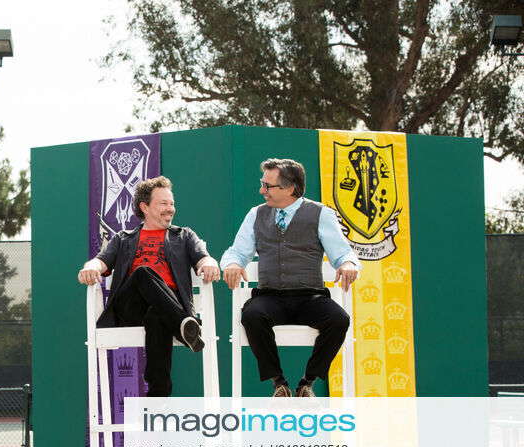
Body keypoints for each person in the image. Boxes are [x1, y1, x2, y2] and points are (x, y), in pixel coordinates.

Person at [220, 158, 359, 397]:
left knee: (339, 320)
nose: (261, 190)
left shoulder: (321, 214)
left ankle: (308, 382)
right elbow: (238, 251)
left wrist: (348, 263)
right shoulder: (256, 215)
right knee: (251, 315)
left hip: (310, 297)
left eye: (267, 186)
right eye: (262, 184)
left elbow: (343, 252)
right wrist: (232, 263)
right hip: (270, 297)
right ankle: (279, 383)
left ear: (290, 188)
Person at [78, 176, 220, 396]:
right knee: (143, 273)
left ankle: (158, 397)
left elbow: (203, 258)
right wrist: (90, 267)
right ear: (144, 207)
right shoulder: (123, 238)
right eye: (163, 203)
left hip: (165, 305)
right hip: (131, 306)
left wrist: (210, 263)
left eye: (171, 203)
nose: (170, 209)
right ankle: (183, 324)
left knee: (157, 315)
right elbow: (100, 260)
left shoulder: (183, 235)